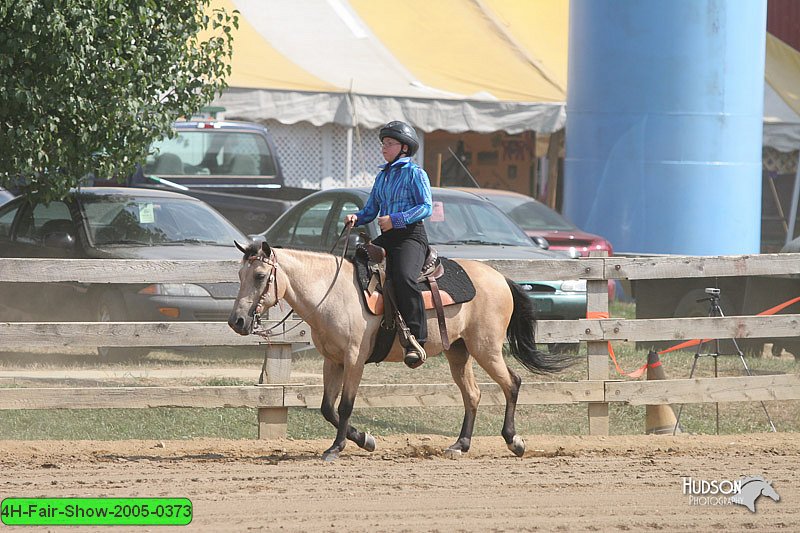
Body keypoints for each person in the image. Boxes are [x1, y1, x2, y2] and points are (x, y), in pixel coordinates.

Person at [344, 121, 433, 368]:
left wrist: (395, 219)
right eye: (383, 143)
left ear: (404, 148)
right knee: (357, 262)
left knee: (405, 277)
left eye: (389, 144)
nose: (384, 148)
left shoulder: (416, 173)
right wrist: (356, 217)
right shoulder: (382, 176)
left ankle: (416, 338)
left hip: (411, 236)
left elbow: (426, 207)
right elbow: (371, 209)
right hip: (389, 237)